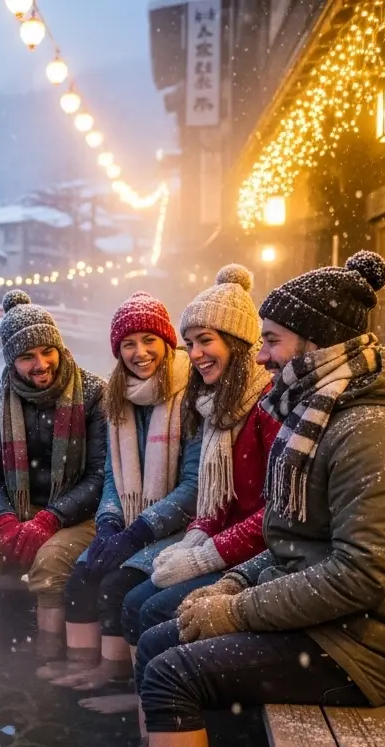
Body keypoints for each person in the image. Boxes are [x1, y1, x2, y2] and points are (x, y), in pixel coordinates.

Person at [132, 252, 385, 747]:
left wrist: (235, 610)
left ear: (316, 342)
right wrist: (234, 582)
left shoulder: (372, 432)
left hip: (362, 645)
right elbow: (292, 541)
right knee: (159, 639)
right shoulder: (321, 414)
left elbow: (360, 577)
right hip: (329, 622)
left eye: (272, 340)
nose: (261, 357)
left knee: (173, 673)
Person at [116, 266, 279, 654]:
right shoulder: (216, 404)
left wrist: (204, 557)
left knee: (153, 610)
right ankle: (142, 700)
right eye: (189, 343)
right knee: (134, 599)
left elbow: (276, 513)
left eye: (205, 340)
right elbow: (215, 501)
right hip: (226, 542)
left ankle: (166, 701)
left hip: (262, 555)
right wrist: (193, 540)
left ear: (238, 342)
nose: (195, 354)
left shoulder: (268, 406)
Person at [45, 292, 198, 689]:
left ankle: (116, 679)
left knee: (117, 585)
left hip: (180, 529)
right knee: (81, 576)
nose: (140, 352)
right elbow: (113, 476)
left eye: (149, 340)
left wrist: (138, 532)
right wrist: (111, 523)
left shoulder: (192, 397)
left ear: (167, 342)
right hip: (131, 522)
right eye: (128, 344)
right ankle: (83, 663)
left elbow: (194, 486)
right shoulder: (118, 397)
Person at [0, 290, 107, 649]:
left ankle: (45, 664)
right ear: (10, 361)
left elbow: (100, 474)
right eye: (26, 356)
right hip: (13, 509)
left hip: (78, 515)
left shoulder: (95, 394)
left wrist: (50, 520)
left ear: (60, 347)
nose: (41, 364)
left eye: (47, 351)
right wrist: (4, 520)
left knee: (52, 564)